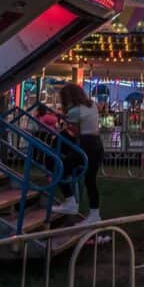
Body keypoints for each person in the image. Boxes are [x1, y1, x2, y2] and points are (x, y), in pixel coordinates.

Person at [52, 83, 104, 223]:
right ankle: (95, 214)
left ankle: (70, 201)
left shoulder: (74, 111)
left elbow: (75, 132)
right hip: (97, 144)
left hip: (86, 144)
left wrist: (65, 121)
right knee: (90, 180)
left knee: (59, 167)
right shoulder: (92, 105)